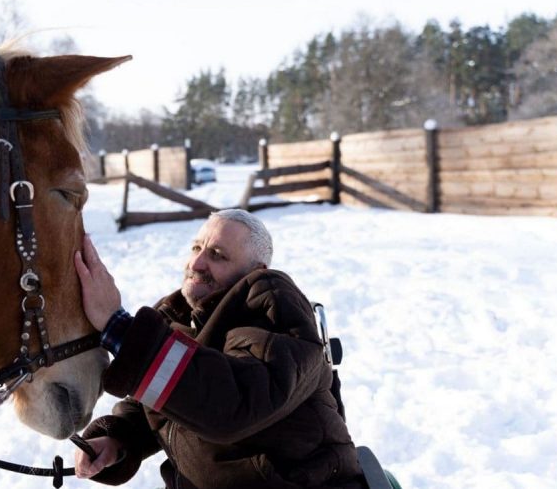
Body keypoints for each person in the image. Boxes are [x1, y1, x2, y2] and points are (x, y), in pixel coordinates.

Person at [73, 209, 363, 489]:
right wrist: (119, 438)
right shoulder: (180, 315)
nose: (197, 263)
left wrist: (118, 326)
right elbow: (168, 400)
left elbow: (232, 402)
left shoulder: (274, 310)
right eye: (196, 247)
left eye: (217, 255)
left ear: (255, 271)